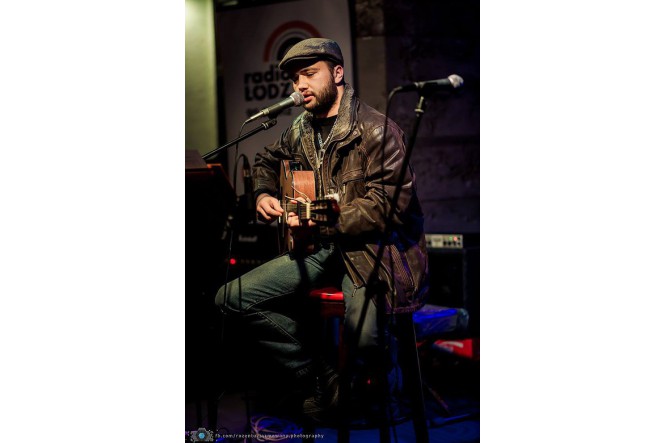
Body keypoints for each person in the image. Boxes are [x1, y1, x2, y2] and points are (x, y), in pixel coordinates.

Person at [215, 38, 428, 422]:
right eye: (295, 78)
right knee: (231, 298)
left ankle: (381, 393)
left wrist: (323, 218)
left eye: (310, 74)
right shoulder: (301, 129)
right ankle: (322, 378)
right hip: (321, 248)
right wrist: (263, 193)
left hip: (370, 253)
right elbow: (265, 160)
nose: (300, 85)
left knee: (364, 336)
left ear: (338, 73)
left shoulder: (376, 130)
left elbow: (389, 207)